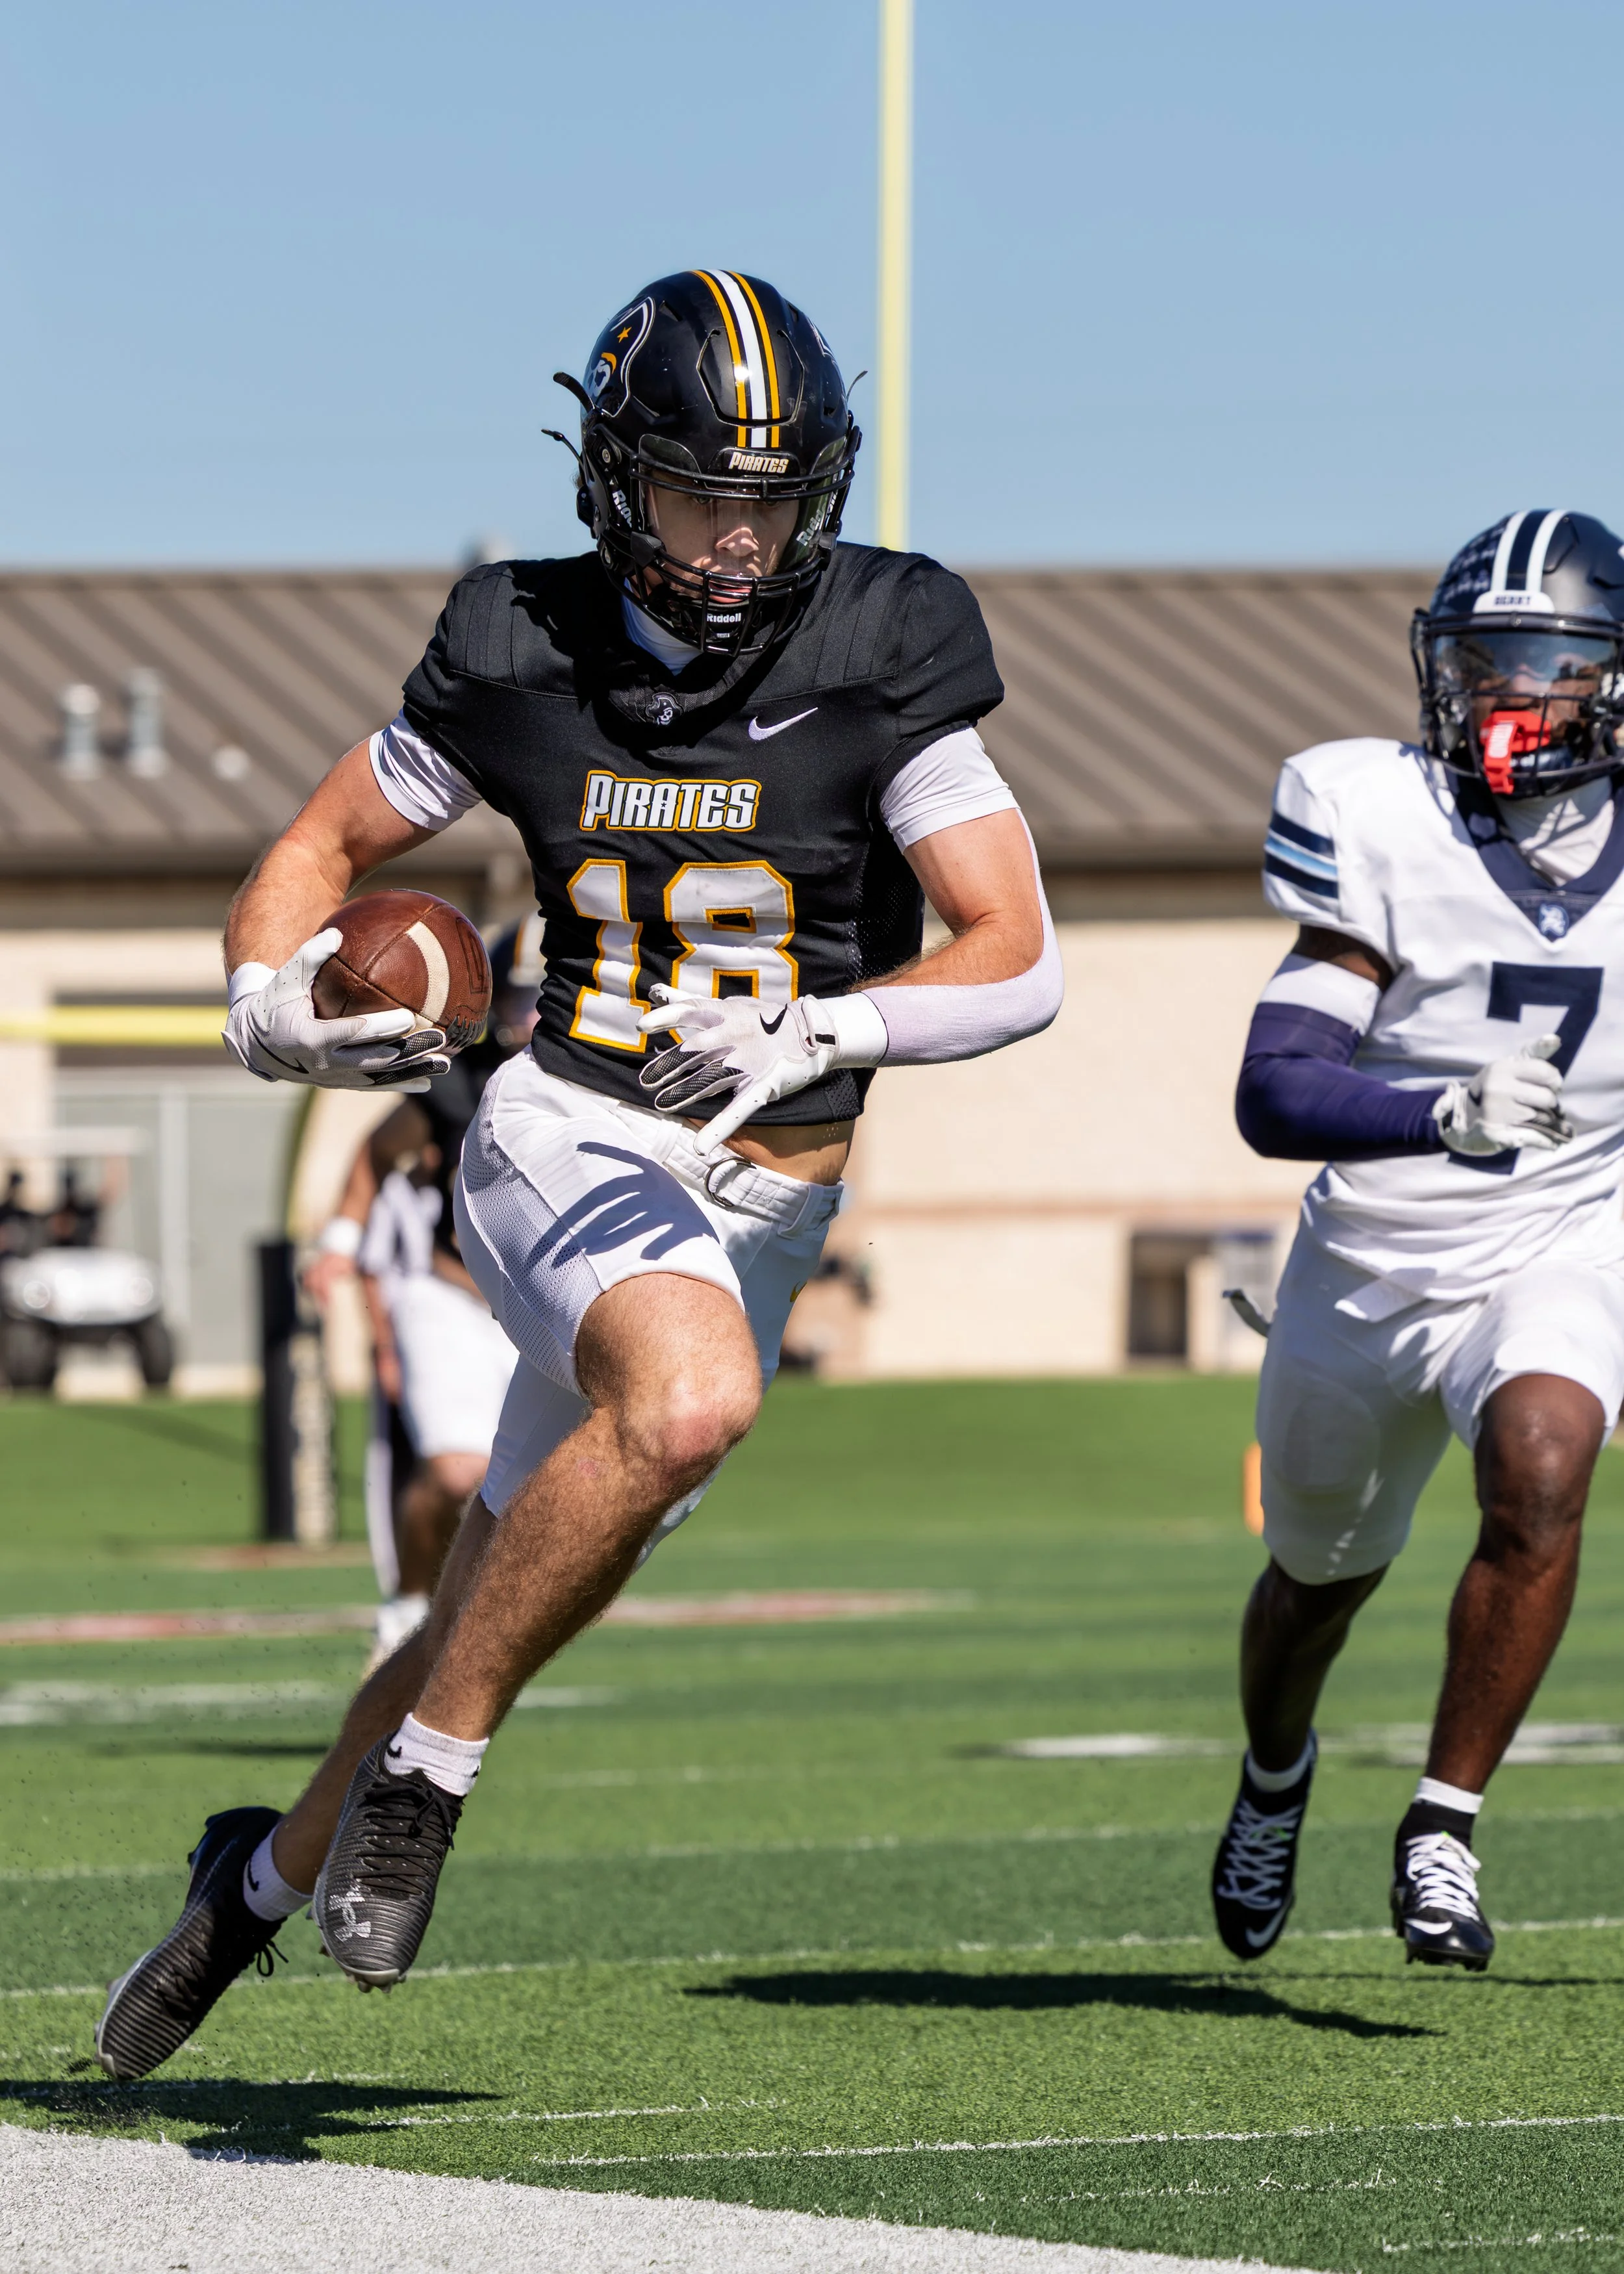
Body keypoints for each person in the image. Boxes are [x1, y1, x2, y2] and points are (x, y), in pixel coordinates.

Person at [95, 270, 1063, 2080]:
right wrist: (260, 1008)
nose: (739, 538)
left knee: (493, 1596)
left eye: (775, 499)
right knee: (688, 1402)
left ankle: (254, 1881)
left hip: (771, 1184)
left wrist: (827, 1028)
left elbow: (1016, 951)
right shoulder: (518, 643)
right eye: (705, 493)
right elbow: (318, 846)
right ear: (616, 479)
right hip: (570, 1129)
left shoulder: (884, 639)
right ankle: (431, 1792)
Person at [1210, 509, 1624, 1973]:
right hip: (1373, 1258)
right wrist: (1434, 1110)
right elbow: (1271, 1090)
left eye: (1537, 662)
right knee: (1314, 1580)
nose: (1496, 693)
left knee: (1543, 1465)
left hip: (1560, 1233)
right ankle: (1272, 1776)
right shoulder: (1378, 811)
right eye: (1475, 659)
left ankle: (1441, 1822)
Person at [303, 920, 542, 1665]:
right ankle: (406, 1605)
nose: (535, 1012)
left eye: (548, 995)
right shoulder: (462, 1082)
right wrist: (343, 1240)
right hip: (448, 1291)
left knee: (536, 1490)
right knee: (454, 1470)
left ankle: (465, 1628)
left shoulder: (600, 1082)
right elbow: (377, 1152)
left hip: (539, 1304)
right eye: (524, 995)